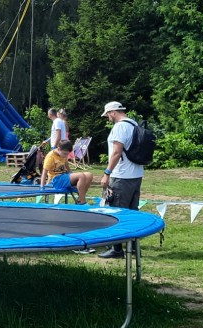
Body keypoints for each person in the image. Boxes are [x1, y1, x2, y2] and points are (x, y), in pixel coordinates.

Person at [99, 101, 145, 259]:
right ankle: (133, 246)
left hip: (122, 176)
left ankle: (117, 249)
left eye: (107, 115)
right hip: (136, 174)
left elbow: (116, 152)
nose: (107, 119)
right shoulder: (133, 123)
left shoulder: (119, 127)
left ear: (112, 112)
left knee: (117, 211)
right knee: (132, 212)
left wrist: (107, 173)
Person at [40, 140, 93, 204]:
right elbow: (44, 172)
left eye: (67, 154)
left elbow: (67, 167)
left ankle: (80, 199)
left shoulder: (63, 154)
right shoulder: (50, 156)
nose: (66, 156)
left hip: (64, 176)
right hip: (55, 180)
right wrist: (42, 187)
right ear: (59, 149)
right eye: (65, 154)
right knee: (81, 175)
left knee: (89, 175)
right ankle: (82, 202)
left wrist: (73, 175)